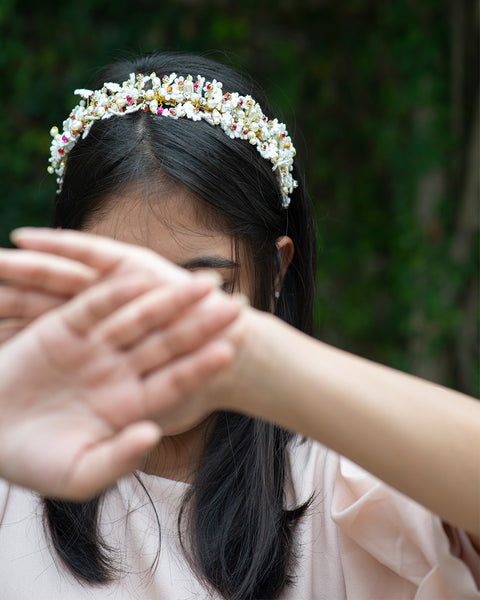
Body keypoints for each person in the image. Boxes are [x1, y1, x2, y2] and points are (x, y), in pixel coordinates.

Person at [0, 51, 478, 599]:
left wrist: (250, 357)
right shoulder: (14, 470)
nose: (152, 331)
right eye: (116, 292)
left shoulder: (348, 496)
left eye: (201, 291)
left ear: (274, 270)